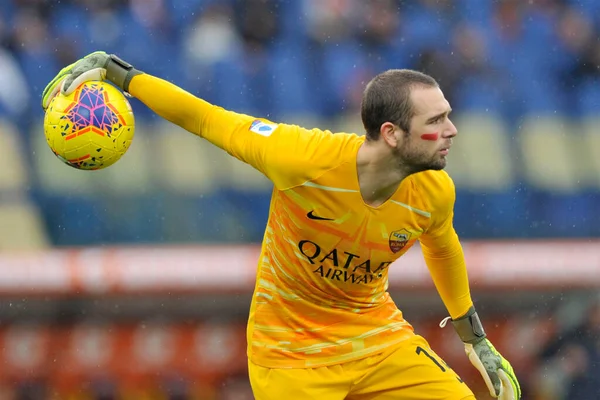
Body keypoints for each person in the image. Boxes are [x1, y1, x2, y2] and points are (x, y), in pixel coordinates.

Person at [42, 52, 521, 400]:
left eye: (449, 116)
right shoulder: (302, 158)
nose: (452, 130)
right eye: (437, 120)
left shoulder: (435, 192)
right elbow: (207, 120)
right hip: (289, 352)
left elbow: (443, 248)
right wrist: (119, 74)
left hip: (376, 337)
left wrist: (474, 336)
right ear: (392, 134)